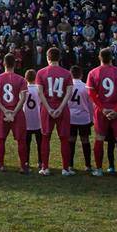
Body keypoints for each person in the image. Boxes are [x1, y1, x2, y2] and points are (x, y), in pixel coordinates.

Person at [87, 49, 117, 177]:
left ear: (99, 58)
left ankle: (99, 169)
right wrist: (116, 109)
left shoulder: (93, 73)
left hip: (102, 111)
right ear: (112, 58)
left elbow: (91, 94)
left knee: (99, 138)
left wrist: (102, 109)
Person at [35, 47, 75, 176]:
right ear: (59, 58)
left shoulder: (41, 73)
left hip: (47, 109)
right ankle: (65, 168)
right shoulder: (67, 73)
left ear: (48, 58)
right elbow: (69, 93)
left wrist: (49, 108)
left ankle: (45, 167)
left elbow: (40, 93)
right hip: (62, 108)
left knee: (45, 138)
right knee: (64, 139)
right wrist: (60, 108)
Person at [0, 54, 29, 172]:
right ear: (15, 64)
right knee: (21, 140)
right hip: (16, 112)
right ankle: (22, 166)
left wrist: (4, 110)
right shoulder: (21, 79)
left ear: (3, 63)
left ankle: (1, 165)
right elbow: (23, 98)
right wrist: (13, 112)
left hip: (3, 112)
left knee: (1, 139)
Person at [67, 66, 93, 172]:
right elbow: (90, 104)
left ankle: (70, 164)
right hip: (83, 117)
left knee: (71, 141)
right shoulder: (86, 87)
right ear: (81, 75)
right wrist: (91, 118)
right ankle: (88, 165)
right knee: (85, 140)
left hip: (71, 117)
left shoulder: (68, 87)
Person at [24, 69, 43, 172]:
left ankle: (26, 161)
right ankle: (40, 161)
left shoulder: (24, 89)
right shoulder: (38, 89)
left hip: (27, 119)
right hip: (38, 119)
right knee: (39, 142)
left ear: (25, 78)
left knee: (27, 142)